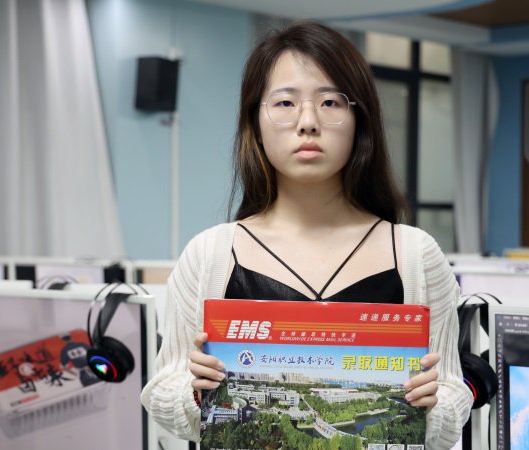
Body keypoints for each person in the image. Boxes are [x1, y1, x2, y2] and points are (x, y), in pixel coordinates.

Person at [140, 20, 472, 450]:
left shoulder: (415, 254)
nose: (308, 121)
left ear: (359, 120)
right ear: (255, 121)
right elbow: (161, 392)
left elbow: (453, 395)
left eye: (331, 102)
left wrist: (433, 404)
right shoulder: (210, 254)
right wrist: (193, 389)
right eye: (285, 102)